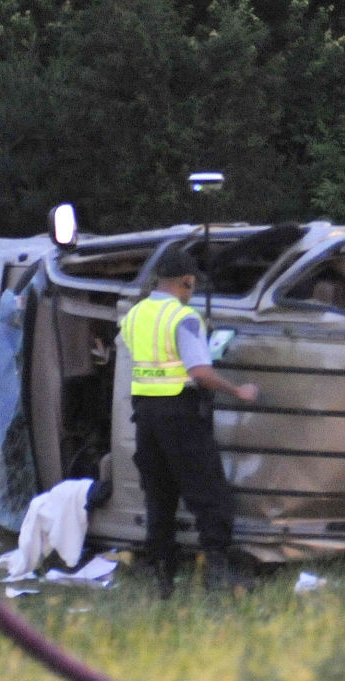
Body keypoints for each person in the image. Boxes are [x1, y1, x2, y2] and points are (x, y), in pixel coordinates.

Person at [120, 245, 259, 597]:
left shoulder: (135, 314)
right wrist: (236, 390)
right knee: (208, 492)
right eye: (192, 285)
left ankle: (162, 577)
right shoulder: (184, 318)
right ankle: (217, 573)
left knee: (159, 495)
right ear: (185, 281)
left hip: (146, 415)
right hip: (180, 414)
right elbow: (199, 372)